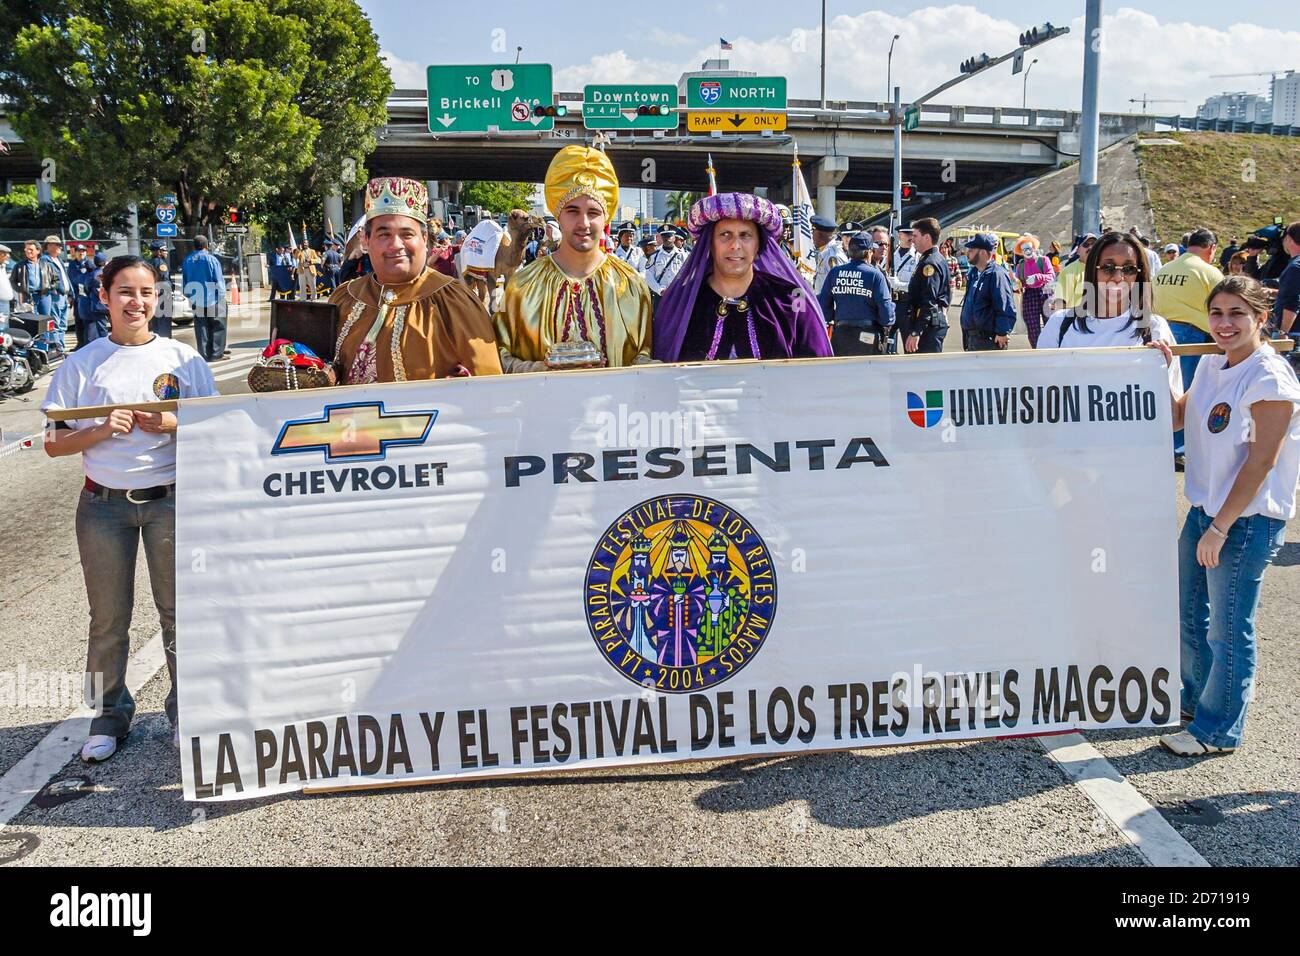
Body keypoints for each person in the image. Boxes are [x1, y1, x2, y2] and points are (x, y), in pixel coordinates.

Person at [41, 255, 218, 762]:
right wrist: (100, 431)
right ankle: (109, 715)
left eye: (146, 292)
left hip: (171, 501)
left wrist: (172, 427)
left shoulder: (184, 360)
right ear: (105, 296)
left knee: (180, 614)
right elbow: (54, 442)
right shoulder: (82, 363)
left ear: (157, 297)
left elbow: (217, 426)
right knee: (108, 618)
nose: (136, 302)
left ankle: (188, 712)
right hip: (104, 506)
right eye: (125, 292)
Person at [1153, 277, 1300, 756]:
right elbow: (1177, 418)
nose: (1224, 323)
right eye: (1216, 313)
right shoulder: (1212, 366)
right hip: (1205, 509)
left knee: (1229, 625)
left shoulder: (1269, 378)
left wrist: (1220, 528)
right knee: (1189, 613)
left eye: (1237, 313)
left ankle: (1217, 731)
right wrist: (1159, 369)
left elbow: (1262, 461)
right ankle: (1194, 702)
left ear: (1261, 318)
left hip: (1244, 519)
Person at [496, 146, 654, 371]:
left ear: (606, 218)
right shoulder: (522, 286)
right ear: (558, 215)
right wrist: (541, 370)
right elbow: (498, 361)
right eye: (572, 211)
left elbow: (643, 356)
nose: (584, 223)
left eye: (593, 213)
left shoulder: (630, 285)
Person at [332, 177, 502, 383]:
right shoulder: (344, 298)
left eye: (407, 234)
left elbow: (489, 389)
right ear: (366, 241)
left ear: (424, 239)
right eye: (384, 234)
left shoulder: (455, 302)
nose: (396, 245)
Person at [654, 192, 832, 363]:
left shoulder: (792, 298)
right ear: (710, 245)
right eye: (725, 235)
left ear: (759, 246)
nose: (735, 245)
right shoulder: (682, 302)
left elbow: (818, 372)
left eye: (745, 235)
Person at [1038, 231, 1183, 395]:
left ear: (1139, 274)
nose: (1118, 277)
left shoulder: (1153, 328)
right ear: (1093, 270)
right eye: (1108, 268)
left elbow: (1173, 414)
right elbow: (1038, 393)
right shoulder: (1060, 324)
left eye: (1129, 269)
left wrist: (1163, 373)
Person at [1155, 228, 1224, 461]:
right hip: (1191, 335)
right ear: (1211, 248)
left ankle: (1164, 443)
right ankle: (1179, 448)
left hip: (1160, 332)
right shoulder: (1209, 272)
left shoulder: (1165, 269)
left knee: (1165, 390)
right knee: (1186, 394)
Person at [818, 232, 894, 355]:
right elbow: (887, 315)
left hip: (840, 335)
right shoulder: (875, 275)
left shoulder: (835, 273)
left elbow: (824, 307)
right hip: (867, 336)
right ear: (870, 251)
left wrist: (840, 315)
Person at [959, 233, 1016, 351]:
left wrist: (1002, 332)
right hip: (972, 338)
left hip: (989, 340)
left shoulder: (997, 274)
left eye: (972, 249)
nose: (967, 252)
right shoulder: (974, 274)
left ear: (983, 253)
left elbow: (1005, 305)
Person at [902, 217, 950, 354]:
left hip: (929, 327)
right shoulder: (933, 259)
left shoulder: (930, 264)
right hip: (929, 323)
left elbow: (929, 300)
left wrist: (917, 331)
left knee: (927, 370)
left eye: (916, 236)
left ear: (927, 237)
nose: (913, 240)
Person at [180, 235, 228, 361]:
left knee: (201, 326)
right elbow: (218, 280)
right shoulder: (211, 259)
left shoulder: (187, 260)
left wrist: (191, 296)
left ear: (194, 246)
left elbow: (185, 282)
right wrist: (222, 296)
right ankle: (216, 354)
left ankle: (204, 354)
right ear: (206, 246)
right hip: (214, 298)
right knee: (218, 326)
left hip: (197, 298)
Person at [1012, 234, 1055, 348]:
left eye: (1029, 248)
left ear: (1034, 248)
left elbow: (1051, 276)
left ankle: (1053, 348)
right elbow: (1020, 283)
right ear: (1021, 252)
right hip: (1029, 295)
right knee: (1032, 328)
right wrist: (1017, 285)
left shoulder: (1044, 260)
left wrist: (1038, 277)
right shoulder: (1020, 266)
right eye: (1024, 249)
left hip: (1045, 292)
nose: (1027, 251)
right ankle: (1037, 350)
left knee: (1051, 323)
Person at [40, 236, 73, 351]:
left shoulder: (58, 260)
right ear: (48, 246)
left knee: (63, 325)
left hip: (63, 296)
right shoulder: (45, 260)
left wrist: (70, 294)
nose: (60, 247)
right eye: (57, 245)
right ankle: (58, 350)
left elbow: (65, 278)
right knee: (56, 324)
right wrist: (56, 290)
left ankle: (61, 347)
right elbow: (47, 279)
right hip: (55, 296)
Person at [1049, 234, 1096, 312]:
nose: (1090, 247)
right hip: (1077, 320)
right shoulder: (1068, 272)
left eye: (1094, 244)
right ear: (1078, 249)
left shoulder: (1104, 269)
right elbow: (1061, 303)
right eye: (1086, 245)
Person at [644, 224, 686, 310]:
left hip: (678, 295)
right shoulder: (654, 256)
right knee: (660, 322)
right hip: (660, 297)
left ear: (674, 237)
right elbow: (649, 276)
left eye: (669, 236)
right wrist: (660, 290)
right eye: (664, 236)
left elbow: (688, 275)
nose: (667, 239)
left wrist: (680, 288)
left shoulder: (682, 256)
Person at [1271, 222, 1300, 341]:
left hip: (1294, 333)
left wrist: (1283, 333)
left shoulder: (1295, 266)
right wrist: (1276, 292)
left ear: (1288, 239)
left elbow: (1292, 301)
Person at [812, 215, 847, 294]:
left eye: (813, 232)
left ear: (819, 235)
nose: (812, 236)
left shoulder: (833, 255)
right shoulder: (825, 252)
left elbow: (837, 286)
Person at [82, 251, 111, 343]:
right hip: (110, 304)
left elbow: (86, 288)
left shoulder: (92, 274)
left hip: (97, 304)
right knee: (115, 325)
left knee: (101, 327)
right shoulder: (109, 273)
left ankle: (104, 343)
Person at [147, 241, 173, 337]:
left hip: (152, 296)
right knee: (164, 324)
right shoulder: (161, 264)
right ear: (158, 252)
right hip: (163, 297)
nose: (166, 252)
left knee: (156, 324)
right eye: (164, 250)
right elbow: (164, 282)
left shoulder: (147, 263)